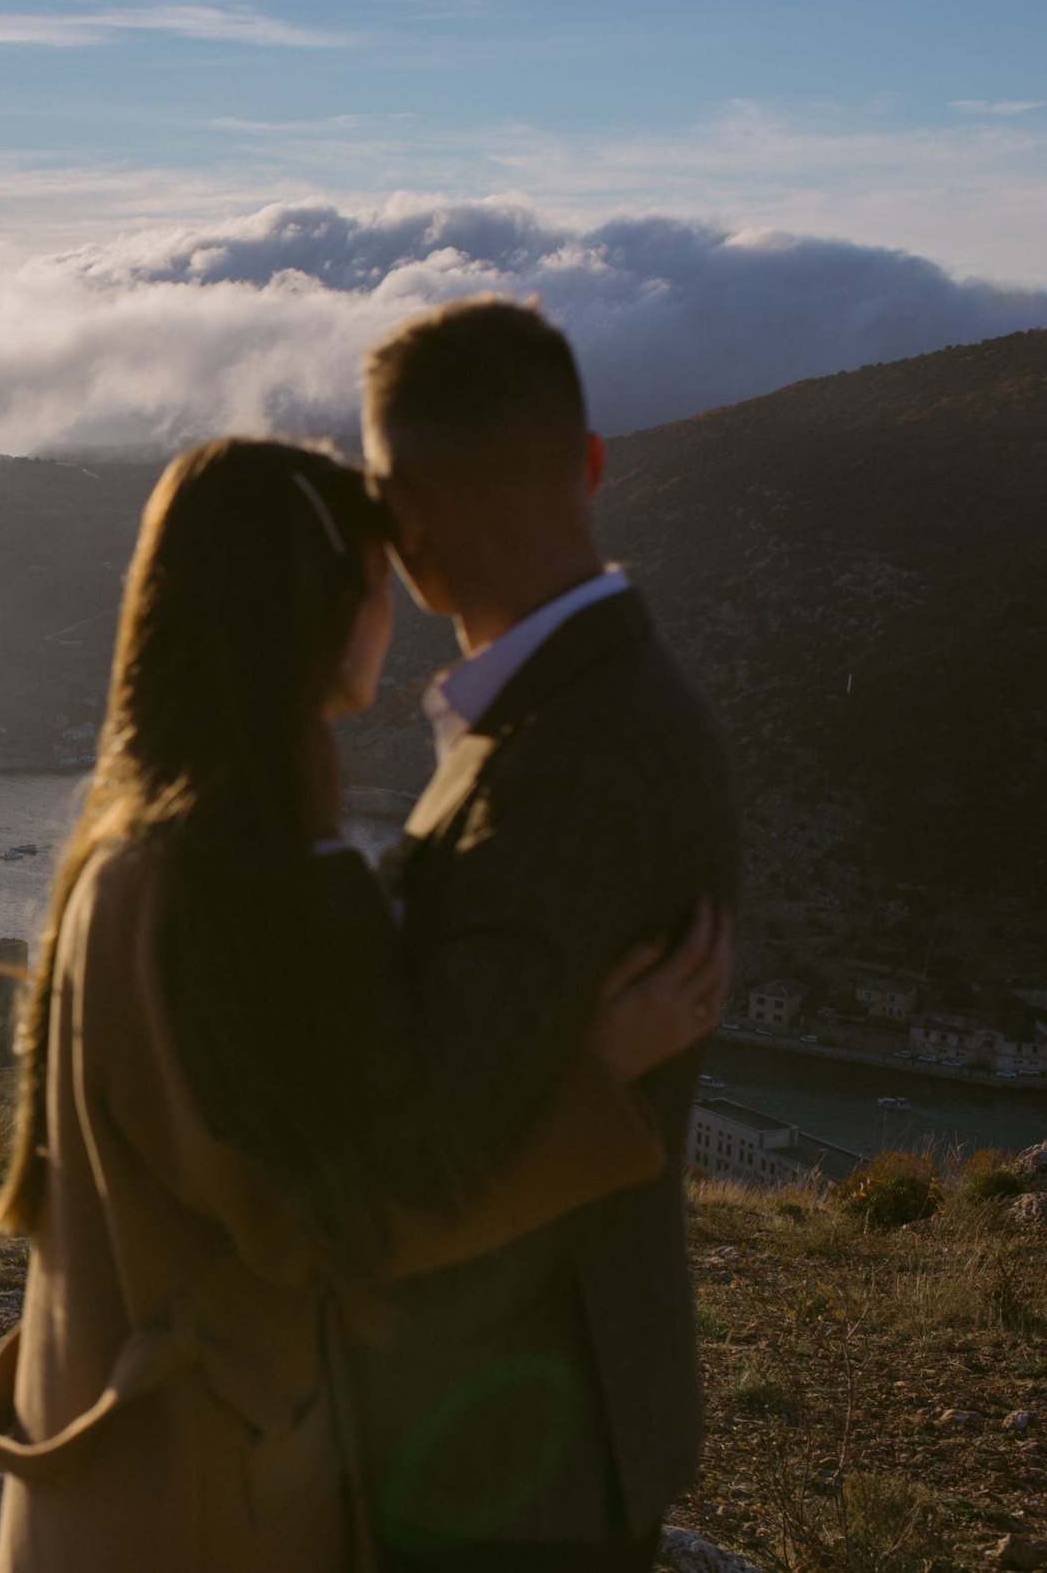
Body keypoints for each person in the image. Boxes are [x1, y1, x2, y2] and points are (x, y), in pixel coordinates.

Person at [0, 436, 731, 1570]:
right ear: (309, 604)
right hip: (212, 1503)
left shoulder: (126, 852)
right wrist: (591, 1076)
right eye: (372, 579)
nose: (393, 607)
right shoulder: (233, 890)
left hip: (106, 1478)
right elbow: (341, 1226)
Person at [343, 297, 740, 1571]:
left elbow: (440, 1149)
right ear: (592, 464)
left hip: (502, 1454)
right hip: (565, 1416)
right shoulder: (625, 706)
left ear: (397, 514)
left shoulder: (556, 762)